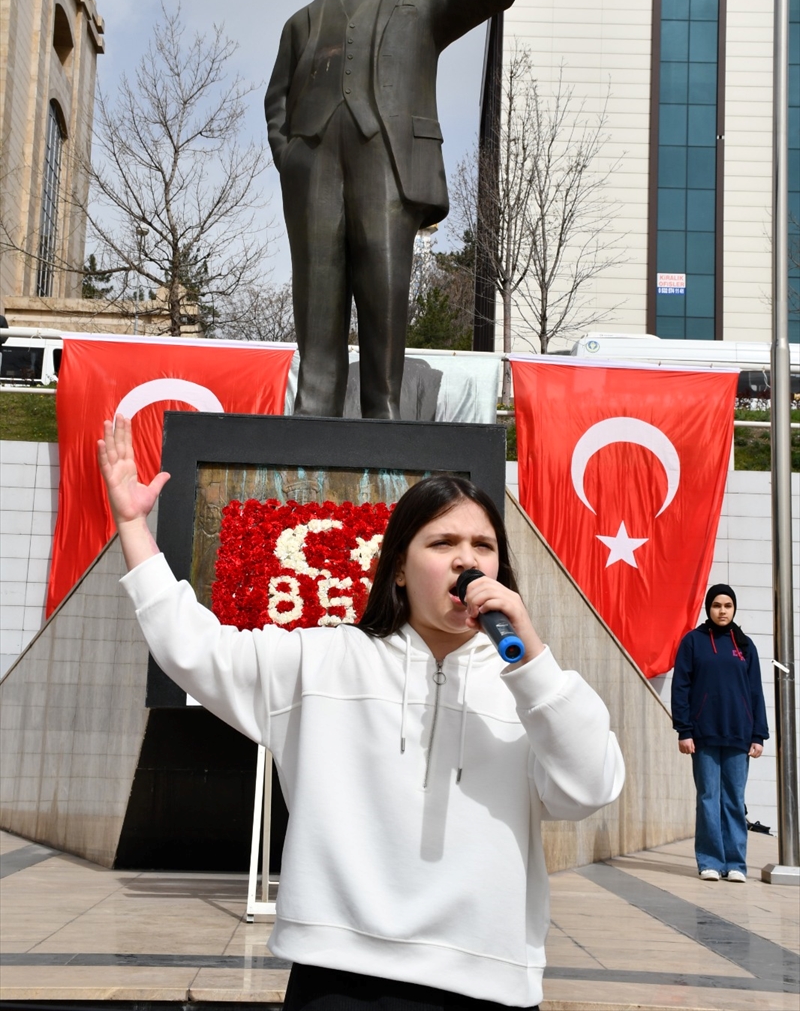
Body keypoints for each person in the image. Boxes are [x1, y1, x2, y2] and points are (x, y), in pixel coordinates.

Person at [98, 415, 624, 1010]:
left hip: (488, 982)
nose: (466, 562)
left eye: (483, 547)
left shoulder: (531, 683)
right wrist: (133, 525)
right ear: (399, 567)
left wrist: (532, 660)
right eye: (443, 543)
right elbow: (193, 648)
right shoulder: (324, 662)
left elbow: (589, 787)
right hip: (339, 977)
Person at [265, 0, 571, 420]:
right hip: (314, 166)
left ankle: (384, 421)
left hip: (389, 162)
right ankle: (311, 420)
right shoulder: (301, 20)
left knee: (384, 294)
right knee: (317, 302)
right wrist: (292, 156)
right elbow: (276, 99)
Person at [671, 583, 769, 883]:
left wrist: (758, 735)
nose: (722, 611)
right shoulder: (693, 642)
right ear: (708, 608)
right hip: (704, 735)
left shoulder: (745, 645)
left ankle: (736, 864)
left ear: (734, 608)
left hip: (739, 736)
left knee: (734, 800)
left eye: (727, 605)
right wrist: (684, 730)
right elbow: (681, 688)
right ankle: (710, 861)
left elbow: (755, 692)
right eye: (717, 605)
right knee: (708, 798)